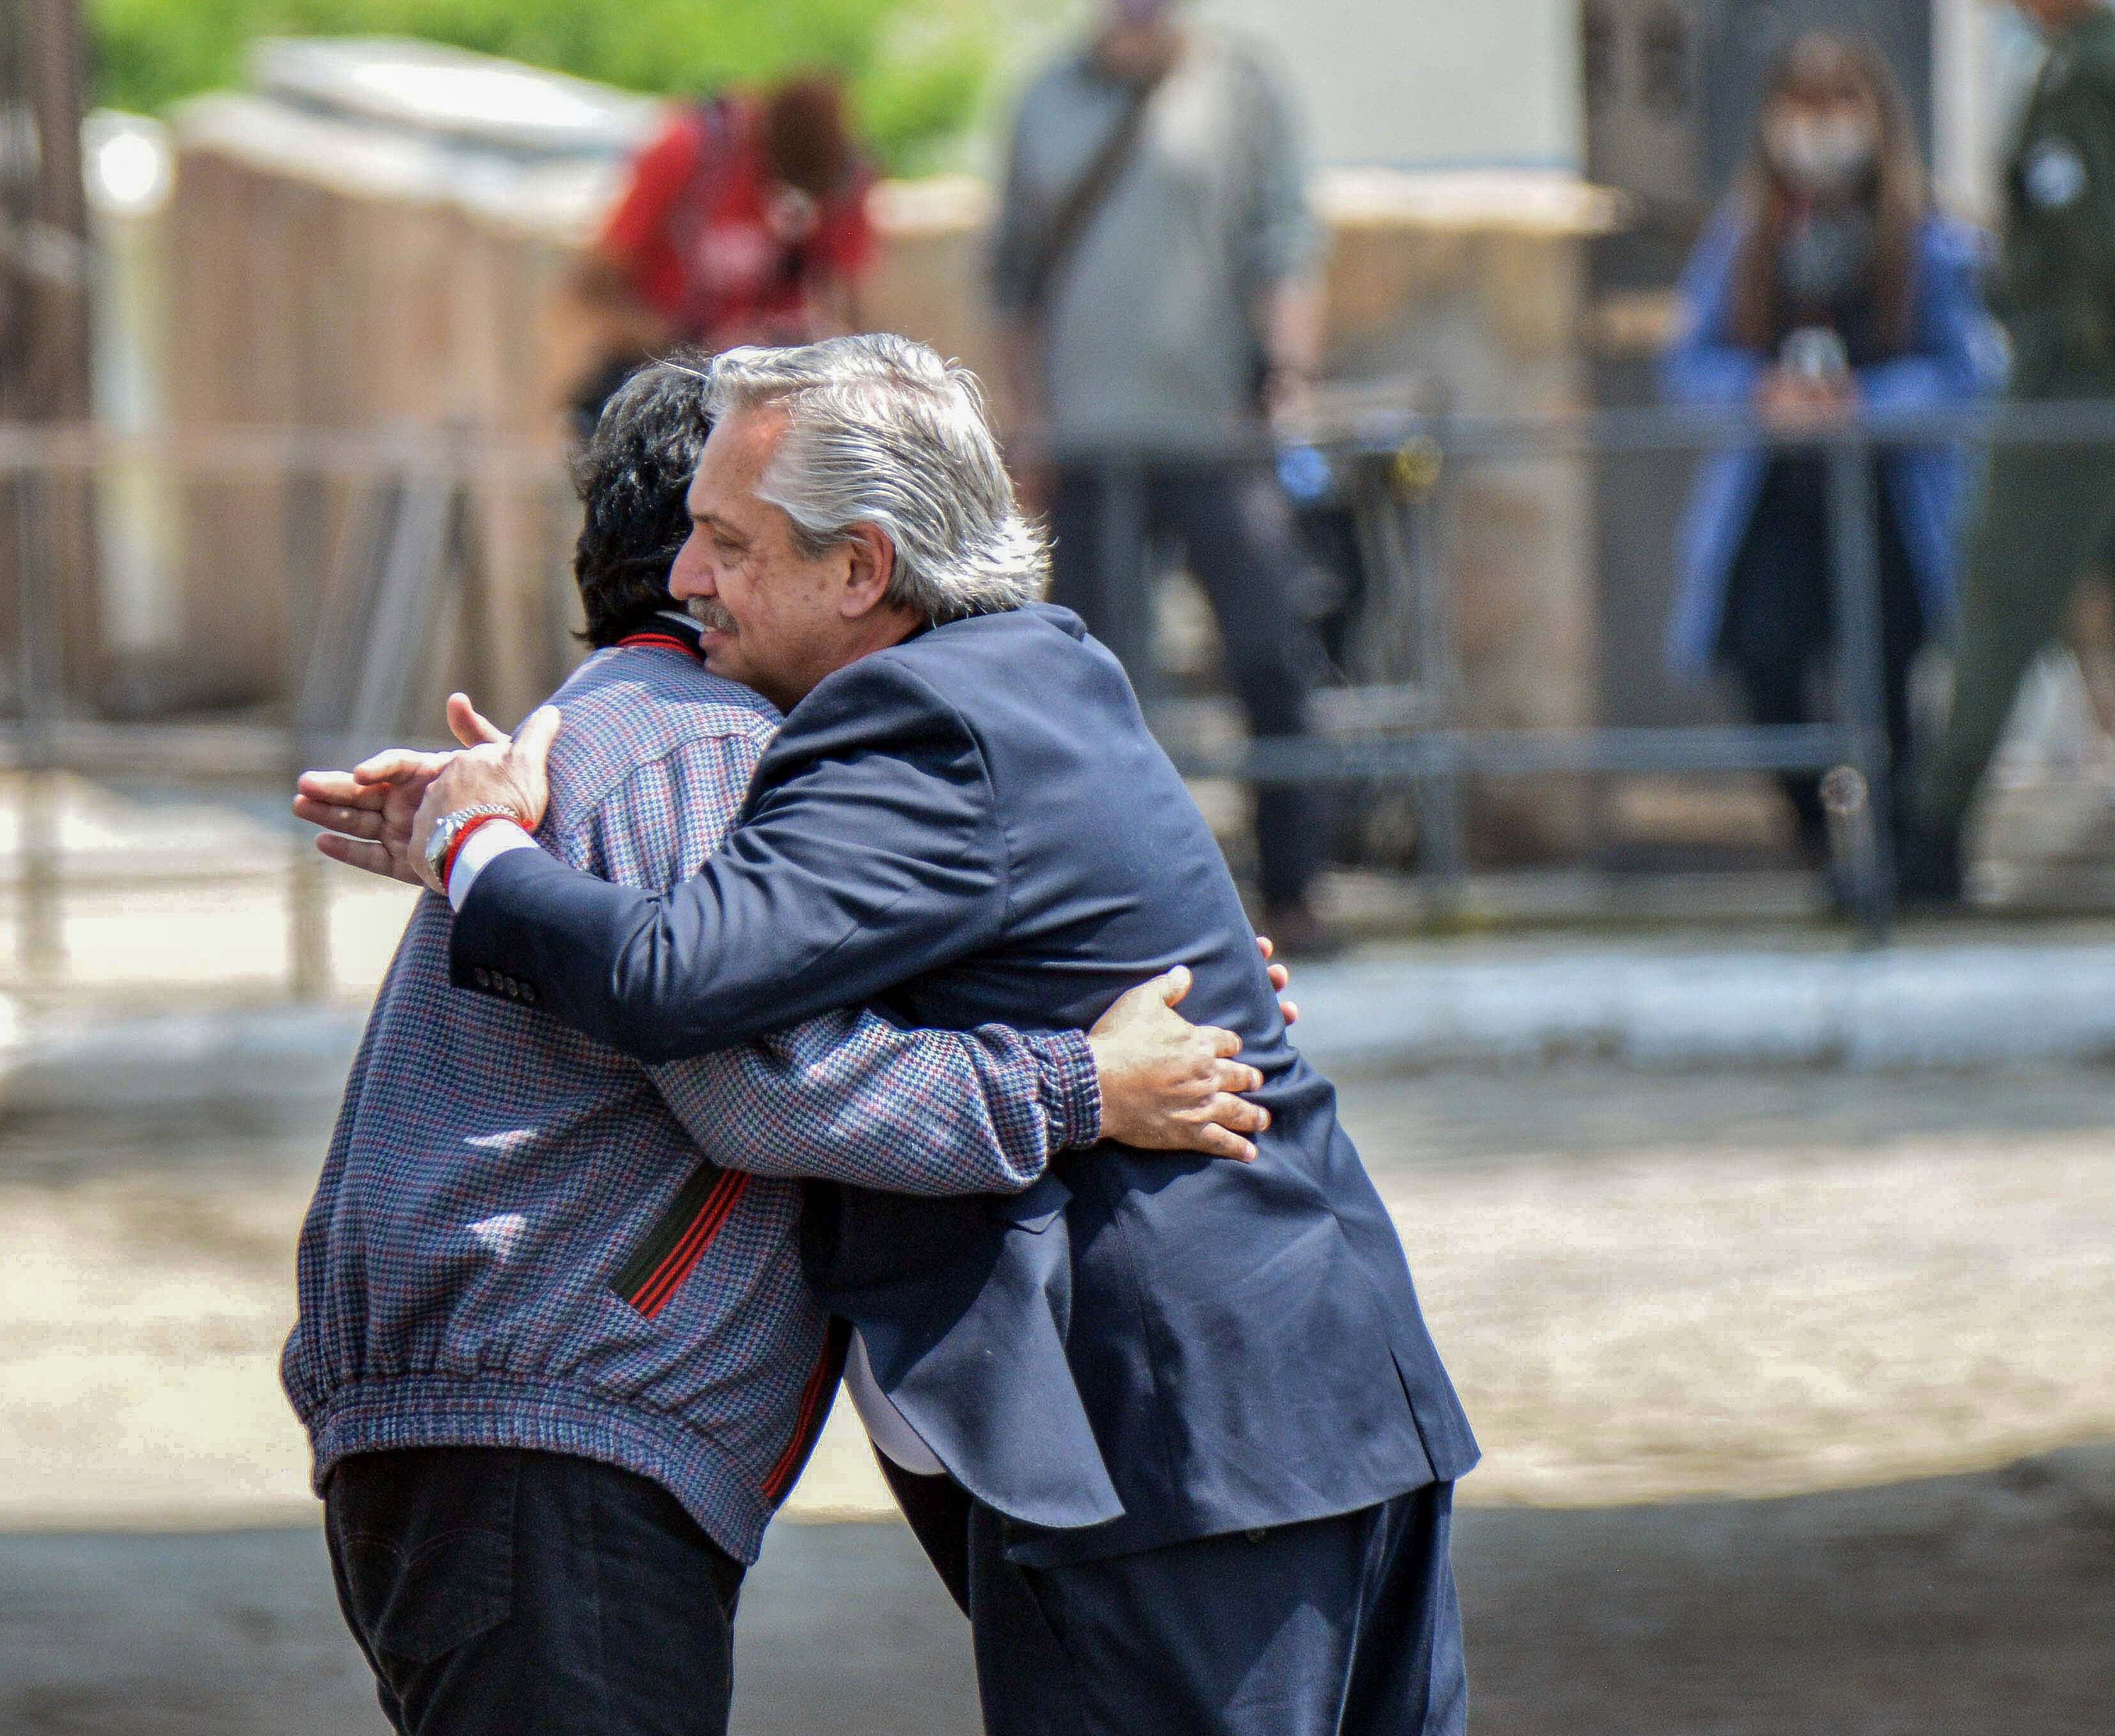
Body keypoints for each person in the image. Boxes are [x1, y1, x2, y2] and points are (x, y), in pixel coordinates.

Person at [361, 336, 1474, 1736]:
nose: (688, 580)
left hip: (1177, 1450)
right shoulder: (1040, 672)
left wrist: (477, 850)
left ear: (859, 569)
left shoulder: (911, 722)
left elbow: (670, 981)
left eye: (724, 543)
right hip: (1317, 1414)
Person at [987, 0, 1338, 954]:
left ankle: (1297, 890)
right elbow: (1012, 282)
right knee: (1098, 685)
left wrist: (1286, 385)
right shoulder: (1044, 98)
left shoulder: (1240, 88)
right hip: (1090, 449)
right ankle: (1111, 908)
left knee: (1271, 652)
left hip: (1214, 439)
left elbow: (1286, 247)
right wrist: (1030, 426)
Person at [1660, 31, 2001, 883]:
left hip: (1890, 496)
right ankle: (1816, 835)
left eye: (1838, 109)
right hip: (1776, 494)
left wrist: (1865, 406)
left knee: (1889, 689)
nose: (1819, 132)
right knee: (1759, 658)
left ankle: (1894, 861)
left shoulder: (1925, 240)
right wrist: (1761, 396)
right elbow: (1685, 364)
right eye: (1802, 111)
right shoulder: (1743, 239)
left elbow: (1969, 375)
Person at [1905, 0, 2115, 900]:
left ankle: (1934, 830)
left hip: (2075, 383)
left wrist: (2023, 290)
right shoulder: (2067, 66)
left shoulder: (2090, 76)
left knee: (2003, 591)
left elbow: (2086, 242)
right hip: (2072, 376)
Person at [569, 75, 874, 429]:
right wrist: (687, 352)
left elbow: (850, 307)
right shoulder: (689, 153)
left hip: (767, 388)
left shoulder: (840, 179)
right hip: (666, 378)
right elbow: (590, 285)